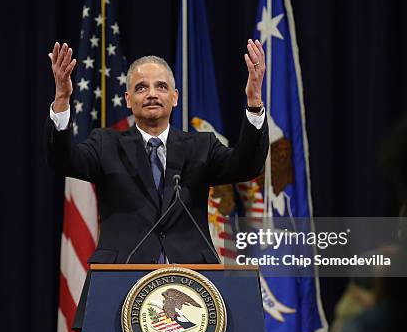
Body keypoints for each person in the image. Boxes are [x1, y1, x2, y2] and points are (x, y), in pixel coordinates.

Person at [45, 39, 269, 265]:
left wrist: (254, 103)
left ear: (175, 97)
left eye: (161, 86)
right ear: (128, 100)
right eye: (141, 88)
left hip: (191, 278)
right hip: (122, 275)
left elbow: (247, 166)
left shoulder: (202, 146)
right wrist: (62, 100)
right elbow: (64, 161)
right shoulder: (106, 144)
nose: (152, 93)